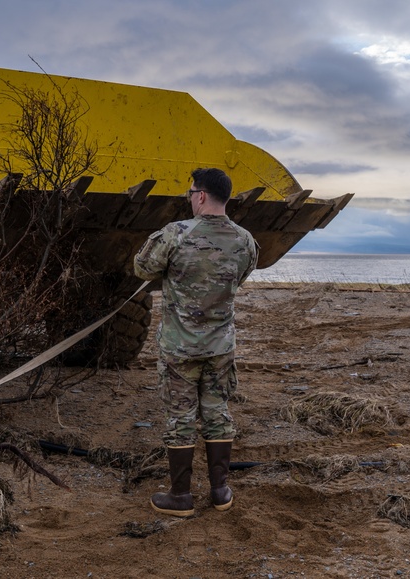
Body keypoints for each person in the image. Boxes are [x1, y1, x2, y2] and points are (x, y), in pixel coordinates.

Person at [133, 167, 259, 517]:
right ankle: (220, 492)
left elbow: (142, 268)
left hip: (180, 347)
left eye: (191, 192)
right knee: (218, 411)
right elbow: (241, 276)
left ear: (201, 195)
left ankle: (181, 496)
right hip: (221, 346)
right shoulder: (245, 239)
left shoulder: (175, 234)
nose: (189, 198)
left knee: (180, 416)